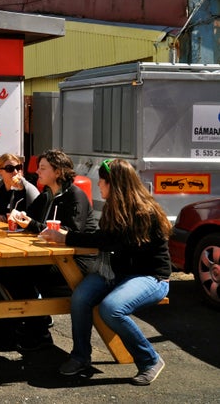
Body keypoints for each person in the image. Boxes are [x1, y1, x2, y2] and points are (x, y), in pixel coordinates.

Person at [41, 158, 172, 386]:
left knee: (112, 308)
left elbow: (110, 240)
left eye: (102, 181)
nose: (99, 186)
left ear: (114, 184)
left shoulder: (143, 211)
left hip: (151, 277)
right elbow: (106, 240)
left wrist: (65, 237)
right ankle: (81, 357)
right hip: (118, 273)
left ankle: (150, 359)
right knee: (80, 298)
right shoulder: (115, 206)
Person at [2, 148, 98, 350]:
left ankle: (38, 328)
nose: (38, 172)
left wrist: (32, 225)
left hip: (76, 261)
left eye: (43, 168)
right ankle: (35, 322)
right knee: (6, 269)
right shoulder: (47, 195)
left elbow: (72, 233)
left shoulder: (75, 195)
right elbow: (29, 217)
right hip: (51, 256)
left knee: (20, 273)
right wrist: (19, 216)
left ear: (58, 172)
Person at [0, 153, 39, 221]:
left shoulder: (28, 189)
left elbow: (36, 217)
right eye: (9, 168)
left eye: (18, 167)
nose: (15, 172)